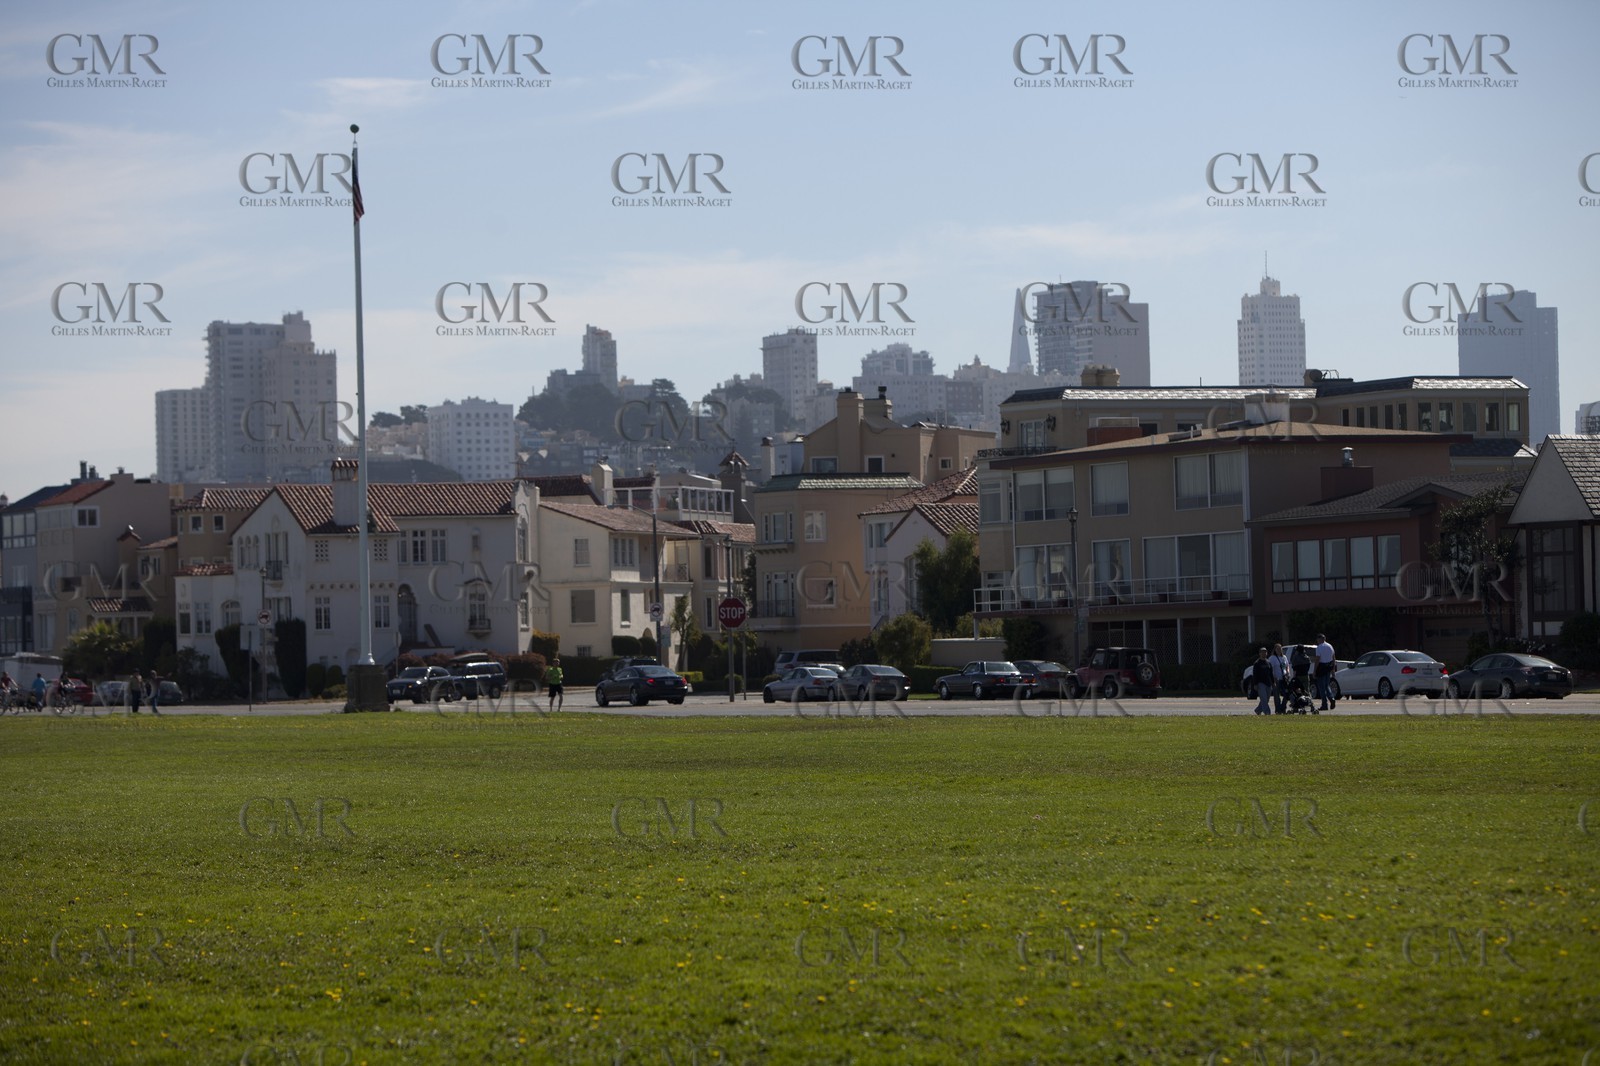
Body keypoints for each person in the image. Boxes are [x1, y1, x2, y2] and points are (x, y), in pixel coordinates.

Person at [1313, 633, 1337, 710]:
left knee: (1321, 687)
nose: (1317, 641)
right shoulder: (1330, 646)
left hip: (1322, 667)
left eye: (1318, 639)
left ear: (1320, 639)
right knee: (1327, 685)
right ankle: (1331, 698)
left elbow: (1317, 659)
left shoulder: (1319, 647)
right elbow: (1333, 658)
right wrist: (1333, 669)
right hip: (1328, 667)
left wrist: (1314, 670)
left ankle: (1324, 704)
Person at [1269, 643, 1292, 715]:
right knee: (1277, 695)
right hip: (1276, 679)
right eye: (1277, 649)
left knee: (1286, 694)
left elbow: (1287, 666)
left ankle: (1283, 707)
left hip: (1284, 678)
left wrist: (1288, 673)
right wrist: (1273, 678)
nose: (1279, 650)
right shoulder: (1272, 658)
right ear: (1275, 650)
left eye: (1280, 648)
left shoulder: (1284, 657)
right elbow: (1271, 669)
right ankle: (1278, 709)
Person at [1250, 648, 1275, 716]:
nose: (1264, 653)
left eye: (1265, 652)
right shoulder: (1257, 663)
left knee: (1266, 699)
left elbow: (1271, 673)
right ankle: (1267, 712)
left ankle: (1258, 710)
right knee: (1263, 698)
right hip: (1260, 683)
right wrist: (1255, 684)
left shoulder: (1268, 662)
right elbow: (1255, 674)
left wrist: (1273, 682)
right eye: (1262, 652)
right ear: (1259, 653)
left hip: (1268, 683)